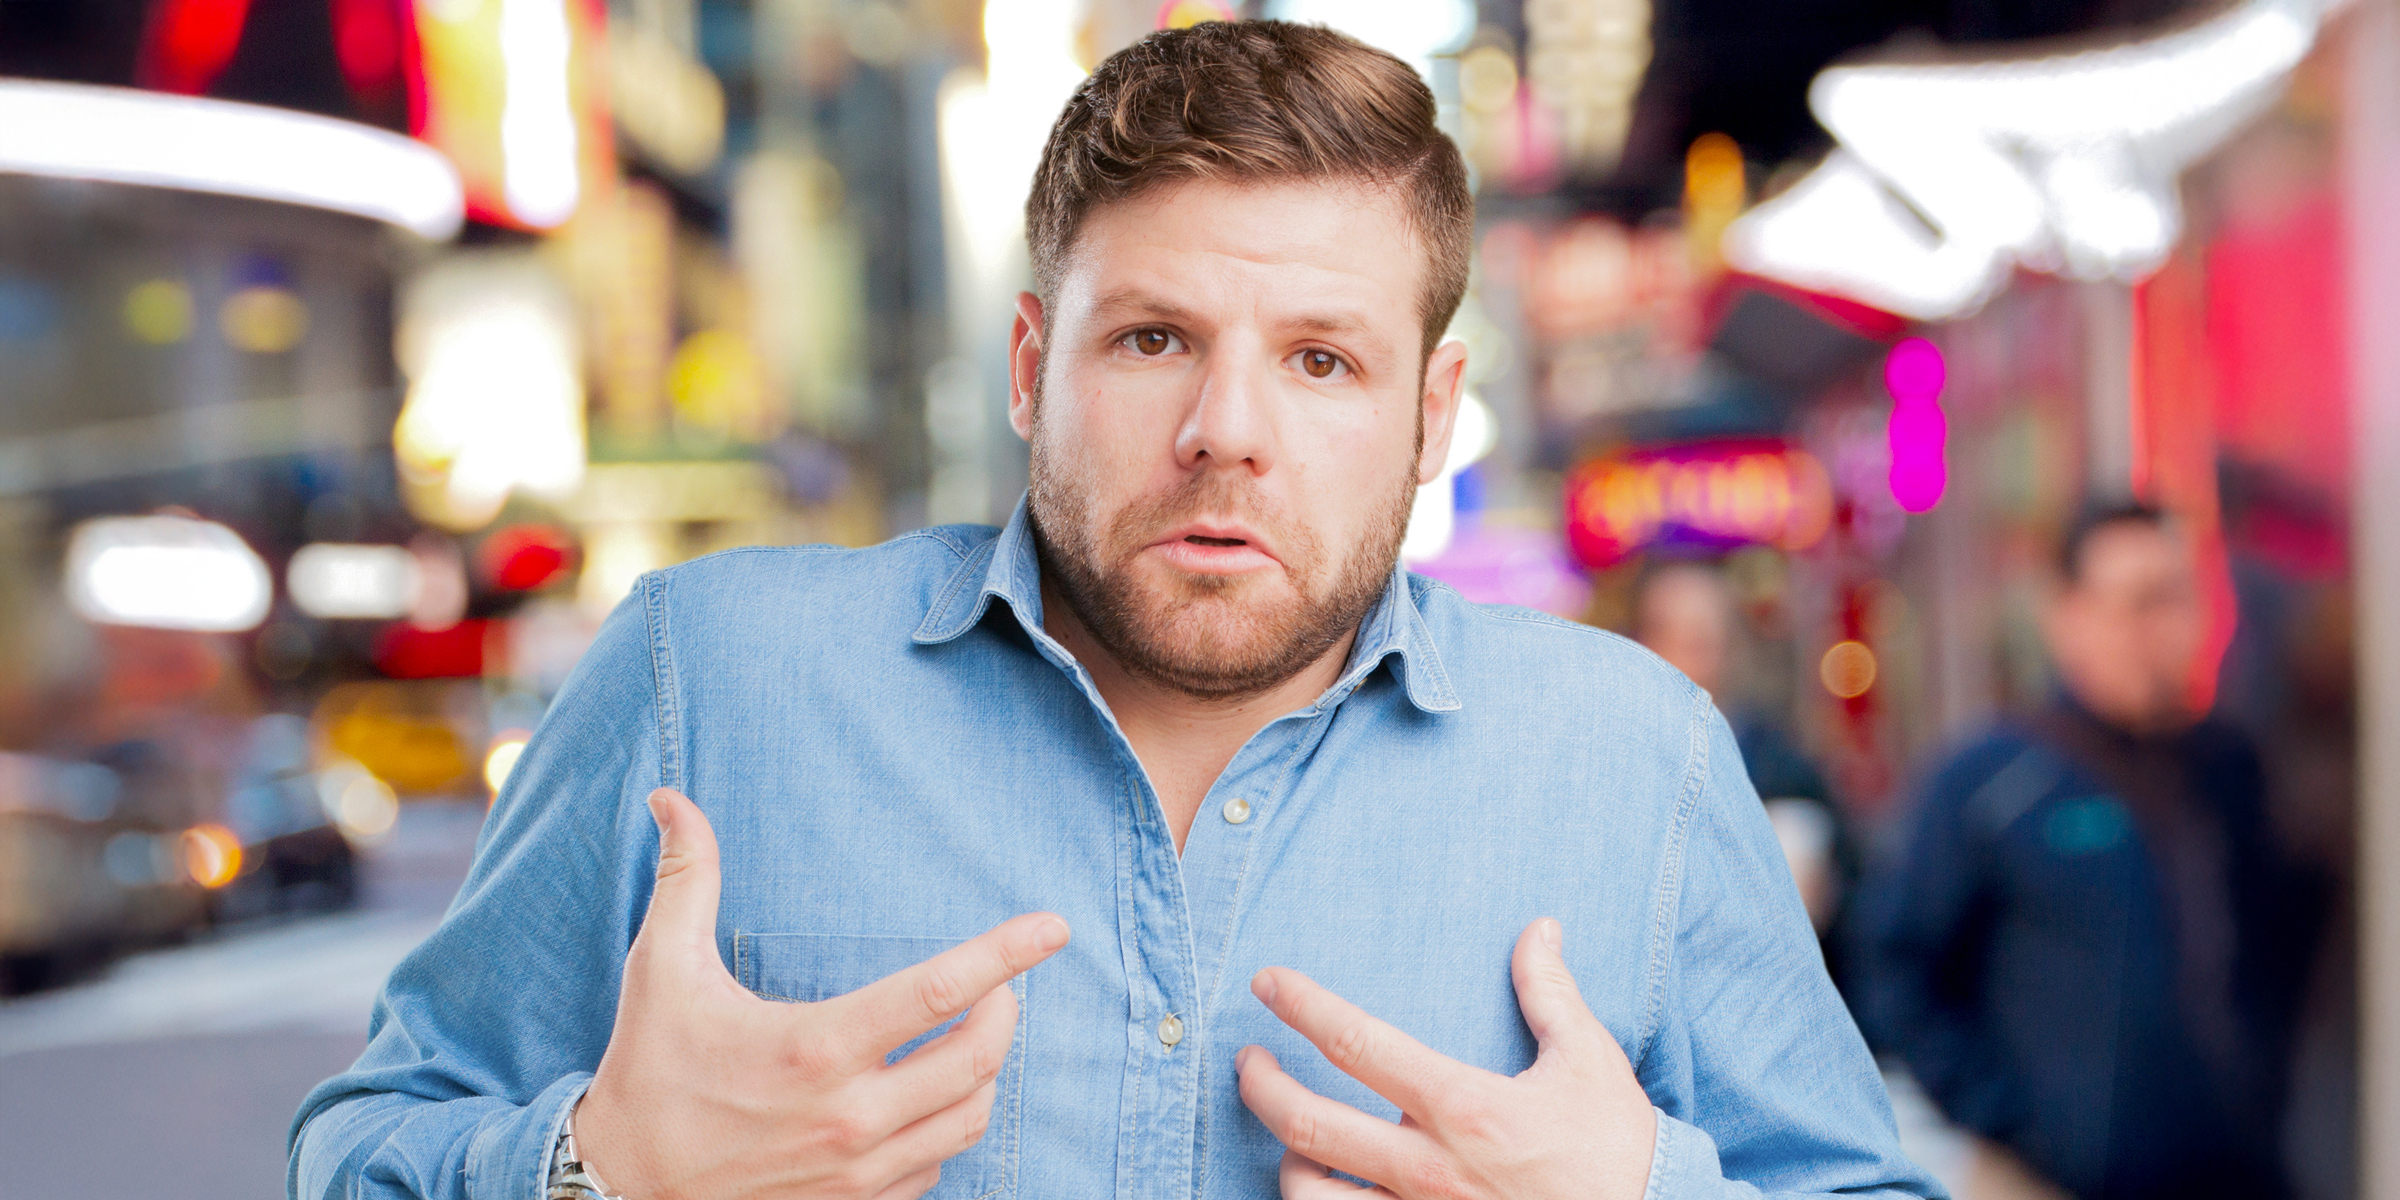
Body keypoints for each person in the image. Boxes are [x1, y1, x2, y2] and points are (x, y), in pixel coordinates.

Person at [291, 22, 1938, 1200]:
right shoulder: (705, 681)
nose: (1228, 428)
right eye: (1154, 339)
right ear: (1032, 366)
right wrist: (593, 1174)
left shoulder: (1633, 763)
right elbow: (356, 1155)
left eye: (1321, 359)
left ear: (1432, 414)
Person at [1849, 501, 2318, 1199]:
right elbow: (1893, 970)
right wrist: (2006, 1121)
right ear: (2067, 616)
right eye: (2134, 603)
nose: (2155, 629)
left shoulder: (2227, 768)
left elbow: (2275, 956)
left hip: (2237, 1170)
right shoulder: (1993, 781)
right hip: (2060, 1180)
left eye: (2173, 599)